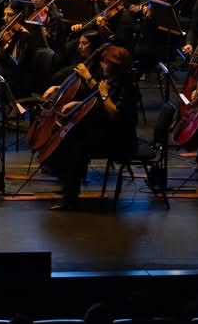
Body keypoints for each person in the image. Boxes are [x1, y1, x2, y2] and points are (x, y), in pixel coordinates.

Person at [50, 44, 139, 210]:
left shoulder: (127, 87)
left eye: (105, 62)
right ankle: (68, 187)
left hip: (120, 140)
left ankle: (70, 199)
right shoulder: (112, 80)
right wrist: (78, 103)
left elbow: (115, 114)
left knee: (77, 148)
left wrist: (104, 94)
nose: (102, 65)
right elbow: (98, 101)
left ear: (114, 65)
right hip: (108, 131)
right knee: (69, 137)